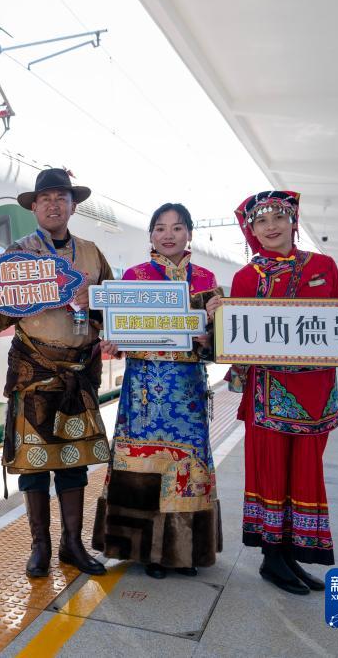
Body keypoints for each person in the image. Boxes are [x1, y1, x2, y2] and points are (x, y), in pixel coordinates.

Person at [209, 190, 338, 595]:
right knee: (272, 473)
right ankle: (273, 558)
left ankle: (291, 556)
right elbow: (235, 341)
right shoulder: (246, 277)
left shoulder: (324, 266)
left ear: (293, 222)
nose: (271, 226)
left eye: (279, 217)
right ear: (251, 231)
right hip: (268, 395)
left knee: (306, 473)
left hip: (316, 394)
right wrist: (219, 318)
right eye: (261, 221)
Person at [0, 168, 113, 578]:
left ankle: (72, 545)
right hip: (33, 372)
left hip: (78, 373)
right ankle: (40, 547)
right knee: (33, 464)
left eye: (61, 198)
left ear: (73, 206)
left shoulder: (92, 253)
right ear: (34, 207)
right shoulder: (18, 254)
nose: (53, 205)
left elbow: (114, 310)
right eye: (45, 198)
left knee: (73, 464)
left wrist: (96, 300)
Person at [91, 203, 224, 579]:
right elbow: (118, 333)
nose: (168, 235)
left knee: (187, 469)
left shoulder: (206, 279)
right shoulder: (134, 277)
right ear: (151, 235)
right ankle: (145, 551)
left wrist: (208, 337)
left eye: (177, 227)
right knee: (142, 465)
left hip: (187, 391)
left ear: (189, 234)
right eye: (160, 228)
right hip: (143, 392)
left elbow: (218, 345)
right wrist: (113, 343)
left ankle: (185, 551)